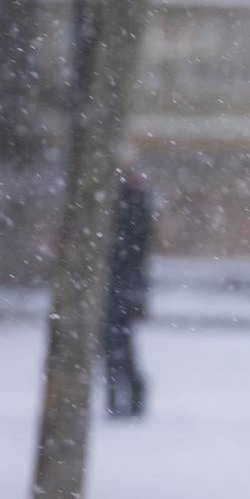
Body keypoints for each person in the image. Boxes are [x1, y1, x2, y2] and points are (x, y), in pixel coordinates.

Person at [103, 167, 152, 419]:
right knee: (115, 347)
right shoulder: (130, 206)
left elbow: (135, 250)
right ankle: (119, 398)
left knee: (118, 346)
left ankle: (124, 398)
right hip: (119, 288)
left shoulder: (131, 207)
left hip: (121, 288)